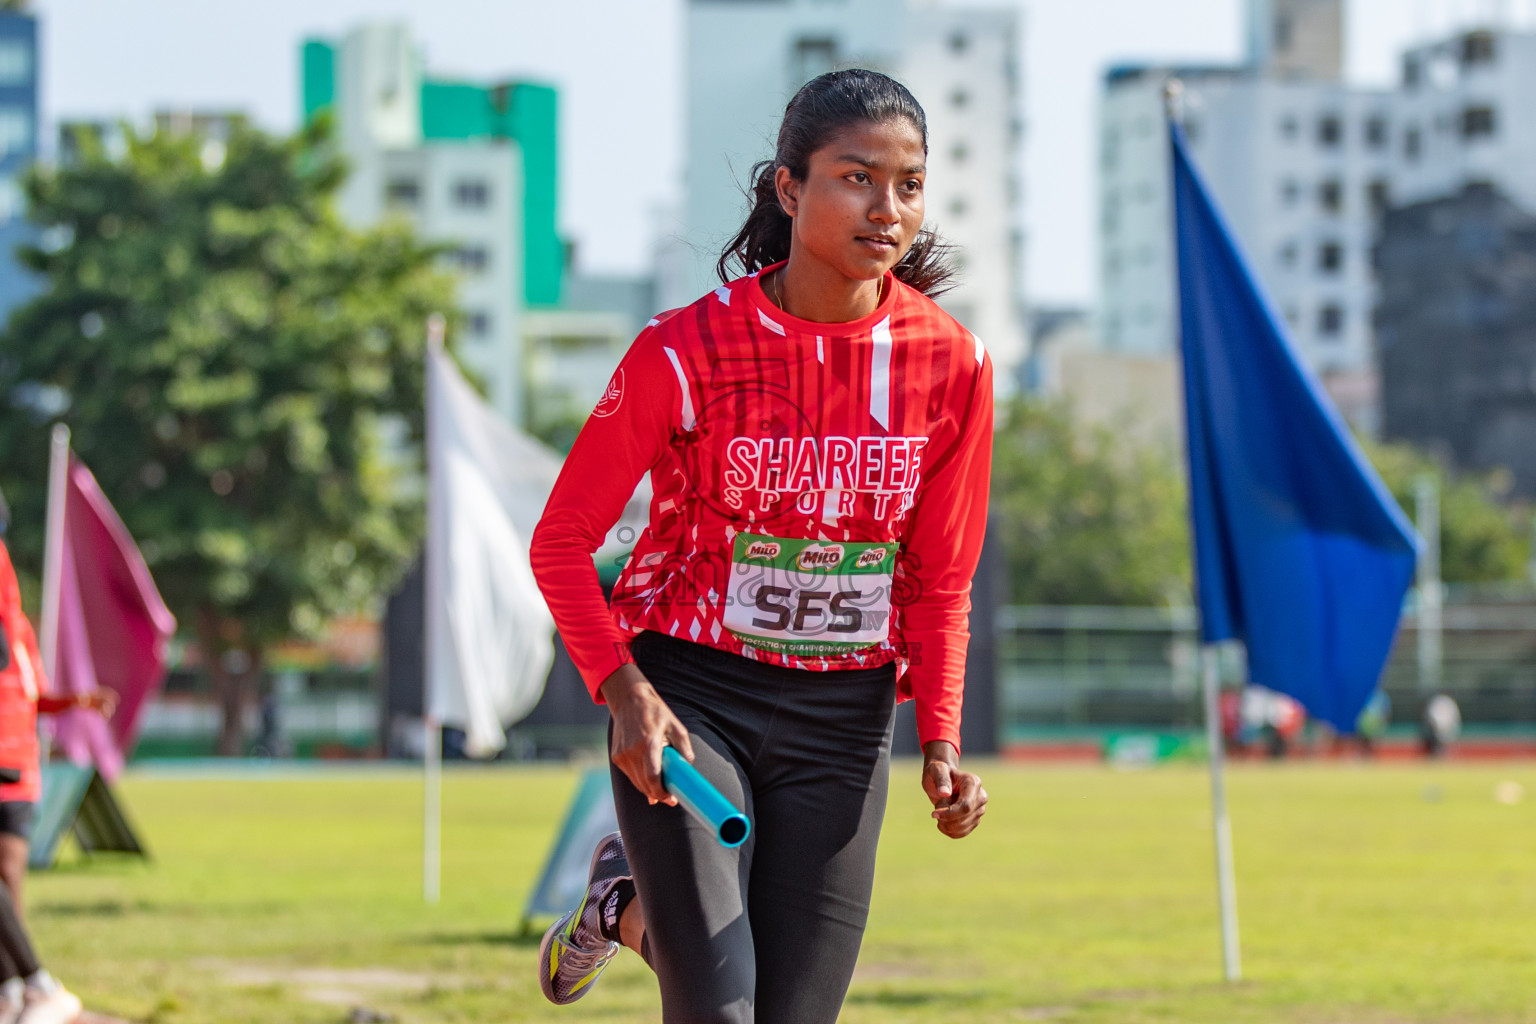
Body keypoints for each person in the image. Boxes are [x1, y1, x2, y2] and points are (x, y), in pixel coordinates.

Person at [529, 69, 992, 1023]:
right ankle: (638, 897)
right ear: (788, 190)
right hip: (693, 696)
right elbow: (563, 542)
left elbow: (943, 580)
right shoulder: (683, 351)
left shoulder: (953, 363)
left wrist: (941, 738)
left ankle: (622, 911)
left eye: (908, 184)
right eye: (856, 178)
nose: (887, 208)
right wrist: (626, 696)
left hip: (845, 721)